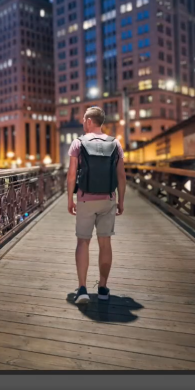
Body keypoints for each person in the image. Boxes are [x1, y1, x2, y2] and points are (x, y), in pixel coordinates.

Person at [66, 106, 126, 305]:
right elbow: (121, 176)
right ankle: (102, 287)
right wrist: (121, 200)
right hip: (107, 199)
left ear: (90, 121)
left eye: (84, 120)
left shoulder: (78, 143)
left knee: (83, 242)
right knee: (105, 243)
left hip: (85, 198)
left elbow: (72, 174)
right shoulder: (115, 144)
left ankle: (82, 289)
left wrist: (69, 199)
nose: (83, 123)